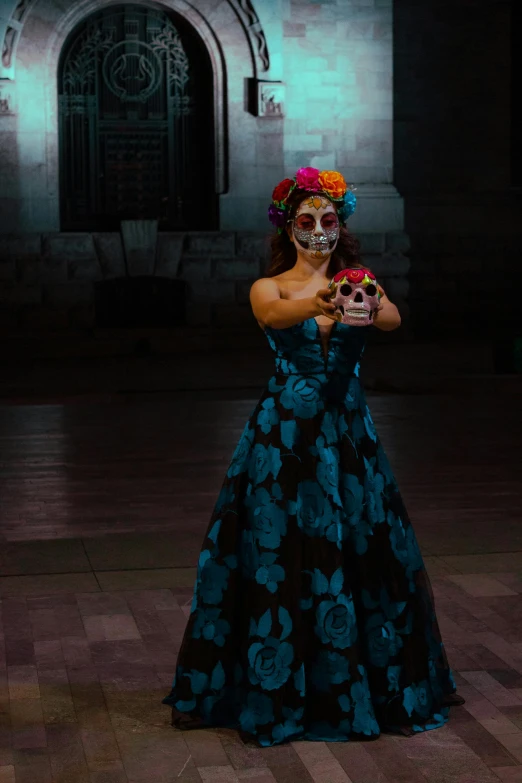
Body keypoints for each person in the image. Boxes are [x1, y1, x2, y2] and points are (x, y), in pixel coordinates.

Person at [162, 166, 464, 747]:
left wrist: (367, 301)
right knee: (281, 545)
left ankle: (352, 680)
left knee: (359, 542)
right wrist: (319, 301)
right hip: (285, 436)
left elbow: (395, 318)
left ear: (341, 225)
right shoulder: (270, 286)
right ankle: (278, 681)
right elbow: (272, 317)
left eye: (329, 220)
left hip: (348, 432)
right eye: (307, 221)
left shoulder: (359, 281)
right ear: (289, 228)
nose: (319, 231)